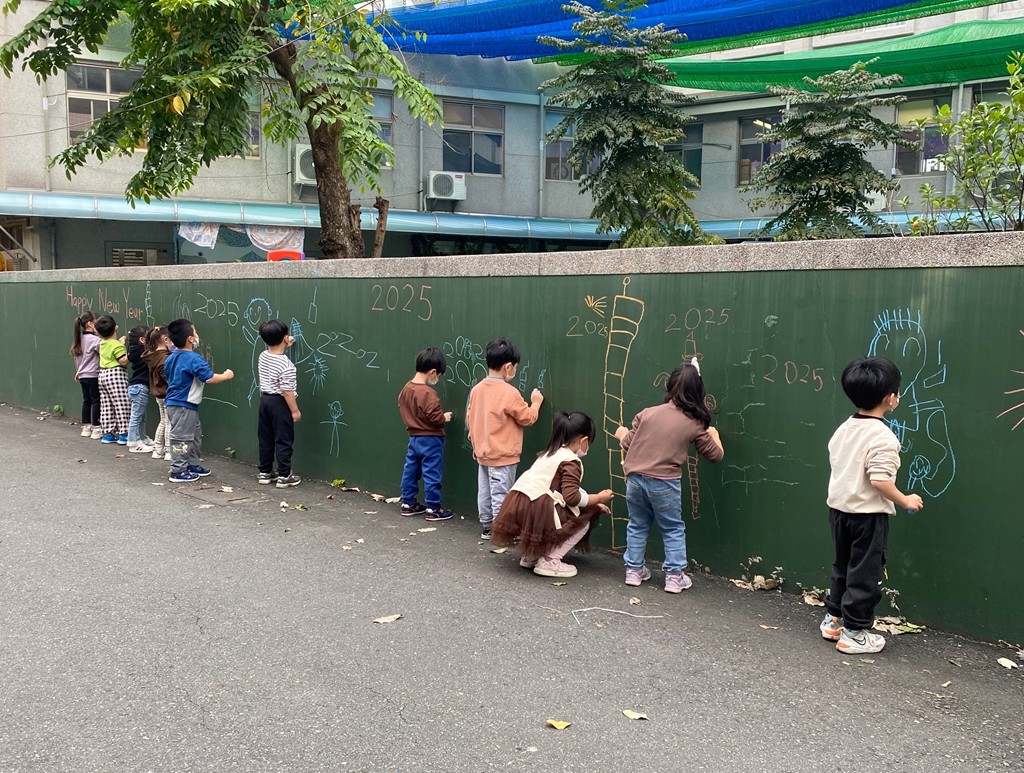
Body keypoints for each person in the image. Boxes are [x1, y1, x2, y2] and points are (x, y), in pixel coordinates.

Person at [820, 356, 924, 655]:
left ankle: (833, 619)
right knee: (865, 574)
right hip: (867, 516)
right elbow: (880, 480)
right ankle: (854, 632)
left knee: (842, 566)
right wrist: (906, 499)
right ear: (891, 398)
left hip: (839, 511)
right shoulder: (884, 437)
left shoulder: (844, 428)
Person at [615, 361, 724, 593]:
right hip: (665, 483)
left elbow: (627, 443)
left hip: (635, 480)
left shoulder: (647, 413)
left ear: (668, 386)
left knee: (637, 524)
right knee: (672, 528)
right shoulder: (694, 423)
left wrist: (622, 433)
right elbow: (715, 455)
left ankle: (633, 571)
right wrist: (715, 436)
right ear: (698, 391)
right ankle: (674, 577)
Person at [492, 411, 613, 578]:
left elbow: (561, 489)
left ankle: (532, 555)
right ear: (584, 441)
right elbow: (572, 497)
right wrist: (598, 498)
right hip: (539, 507)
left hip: (520, 503)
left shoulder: (550, 453)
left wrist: (593, 502)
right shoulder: (571, 461)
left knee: (569, 511)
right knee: (583, 520)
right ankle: (550, 560)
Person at [466, 337, 543, 540]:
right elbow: (527, 418)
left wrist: (474, 436)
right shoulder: (510, 393)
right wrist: (536, 403)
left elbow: (470, 416)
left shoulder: (476, 390)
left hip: (482, 452)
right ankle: (501, 531)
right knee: (501, 494)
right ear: (508, 367)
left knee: (485, 492)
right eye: (515, 368)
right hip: (503, 455)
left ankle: (487, 526)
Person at [164, 319, 233, 483]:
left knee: (194, 435)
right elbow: (209, 378)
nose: (197, 335)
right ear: (190, 339)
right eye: (195, 332)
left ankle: (192, 464)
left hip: (181, 404)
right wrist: (226, 376)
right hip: (183, 405)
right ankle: (178, 470)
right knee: (181, 437)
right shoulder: (193, 359)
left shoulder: (171, 357)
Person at [397, 347, 453, 520]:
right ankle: (433, 508)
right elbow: (435, 418)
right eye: (439, 375)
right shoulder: (428, 393)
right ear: (433, 372)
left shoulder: (406, 389)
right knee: (431, 472)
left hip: (413, 438)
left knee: (410, 470)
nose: (437, 379)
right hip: (431, 439)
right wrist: (444, 417)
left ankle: (408, 503)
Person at [256, 319, 301, 489]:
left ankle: (265, 472)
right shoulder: (287, 365)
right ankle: (284, 475)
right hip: (280, 403)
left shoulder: (263, 356)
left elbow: (275, 351)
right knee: (283, 439)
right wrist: (295, 411)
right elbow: (287, 391)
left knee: (265, 438)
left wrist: (285, 343)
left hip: (265, 401)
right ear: (284, 338)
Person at [94, 315, 131, 445]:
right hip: (116, 375)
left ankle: (108, 434)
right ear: (116, 327)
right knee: (122, 403)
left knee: (106, 405)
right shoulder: (117, 346)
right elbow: (123, 361)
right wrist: (130, 354)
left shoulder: (102, 343)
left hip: (103, 374)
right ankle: (124, 433)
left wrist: (120, 343)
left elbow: (112, 348)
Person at [142, 326, 172, 461]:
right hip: (167, 394)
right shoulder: (164, 358)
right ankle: (169, 451)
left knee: (163, 421)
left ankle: (157, 449)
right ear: (165, 339)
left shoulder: (152, 355)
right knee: (169, 423)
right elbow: (168, 378)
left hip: (159, 394)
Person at [71, 311, 102, 439]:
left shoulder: (78, 339)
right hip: (93, 374)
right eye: (96, 322)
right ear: (90, 324)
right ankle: (96, 428)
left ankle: (86, 427)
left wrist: (78, 372)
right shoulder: (95, 340)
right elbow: (104, 353)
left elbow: (76, 359)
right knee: (96, 401)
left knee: (86, 401)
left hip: (82, 375)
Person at [126, 325, 155, 453]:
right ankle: (133, 443)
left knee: (141, 417)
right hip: (139, 387)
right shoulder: (142, 352)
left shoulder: (134, 350)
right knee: (136, 417)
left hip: (137, 388)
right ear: (142, 340)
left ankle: (142, 438)